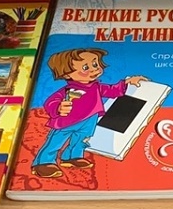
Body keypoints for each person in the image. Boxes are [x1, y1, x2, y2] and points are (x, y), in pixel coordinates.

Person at [30, 48, 149, 178]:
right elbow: (51, 102)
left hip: (90, 119)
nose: (94, 69)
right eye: (86, 67)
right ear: (67, 74)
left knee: (82, 139)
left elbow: (112, 91)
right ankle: (43, 163)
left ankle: (72, 157)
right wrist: (59, 108)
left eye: (95, 64)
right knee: (56, 142)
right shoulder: (67, 90)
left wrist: (126, 82)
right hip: (67, 122)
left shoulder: (96, 87)